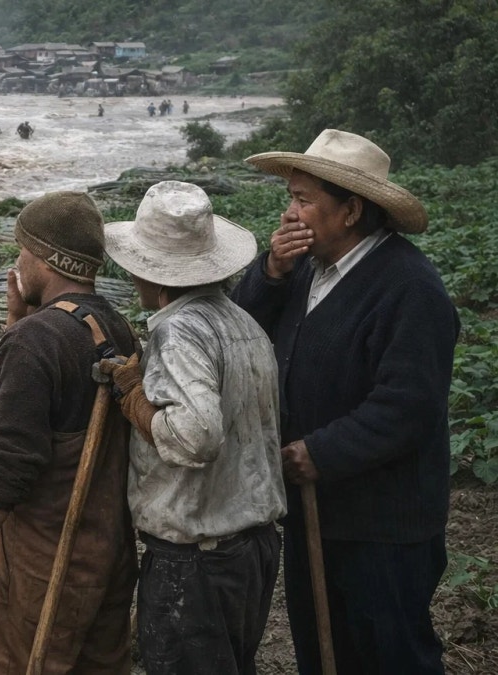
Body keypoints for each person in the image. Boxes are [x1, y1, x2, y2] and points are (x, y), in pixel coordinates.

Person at [230, 129, 459, 674]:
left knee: (389, 653)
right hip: (316, 511)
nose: (290, 213)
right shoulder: (307, 268)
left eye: (303, 200)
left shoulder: (410, 289)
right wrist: (271, 273)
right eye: (290, 197)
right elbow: (243, 331)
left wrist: (322, 452)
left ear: (352, 210)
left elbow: (407, 406)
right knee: (322, 648)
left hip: (383, 523)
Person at [0, 192, 139, 674]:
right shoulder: (116, 327)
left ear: (45, 258)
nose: (17, 261)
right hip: (108, 554)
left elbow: (8, 463)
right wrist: (15, 324)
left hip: (45, 564)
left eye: (22, 250)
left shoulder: (36, 341)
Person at [103, 181, 287, 674]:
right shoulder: (245, 324)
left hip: (198, 558)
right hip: (253, 547)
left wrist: (134, 398)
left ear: (150, 272)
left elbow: (197, 436)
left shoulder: (178, 330)